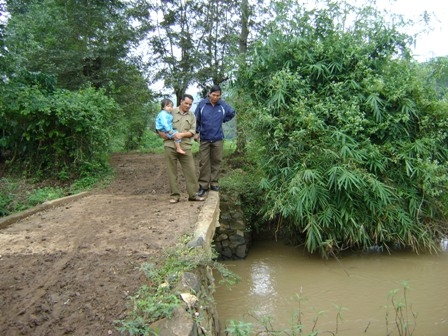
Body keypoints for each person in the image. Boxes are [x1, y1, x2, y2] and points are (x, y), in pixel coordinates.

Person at [158, 94, 205, 203]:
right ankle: (175, 196)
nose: (188, 106)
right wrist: (161, 133)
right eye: (186, 103)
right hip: (170, 146)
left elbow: (193, 132)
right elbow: (160, 122)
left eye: (190, 104)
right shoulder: (170, 111)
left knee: (191, 171)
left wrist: (181, 135)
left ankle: (193, 195)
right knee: (172, 172)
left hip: (185, 147)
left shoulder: (192, 116)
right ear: (181, 101)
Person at [194, 85, 236, 197]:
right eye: (214, 95)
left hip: (218, 138)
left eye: (218, 95)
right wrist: (196, 132)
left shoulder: (222, 105)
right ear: (209, 94)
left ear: (220, 96)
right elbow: (196, 119)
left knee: (216, 161)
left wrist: (223, 119)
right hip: (204, 138)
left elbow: (232, 112)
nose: (215, 97)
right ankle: (203, 186)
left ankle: (214, 183)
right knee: (204, 162)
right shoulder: (203, 104)